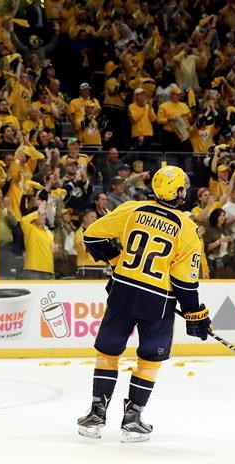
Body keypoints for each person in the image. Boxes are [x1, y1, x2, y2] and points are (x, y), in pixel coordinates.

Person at [77, 166, 210, 443]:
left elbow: (92, 235)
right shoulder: (187, 229)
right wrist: (194, 313)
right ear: (177, 192)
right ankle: (133, 420)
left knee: (108, 352)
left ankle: (96, 416)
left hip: (123, 292)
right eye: (183, 187)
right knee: (149, 359)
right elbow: (184, 281)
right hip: (157, 302)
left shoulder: (133, 209)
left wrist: (117, 259)